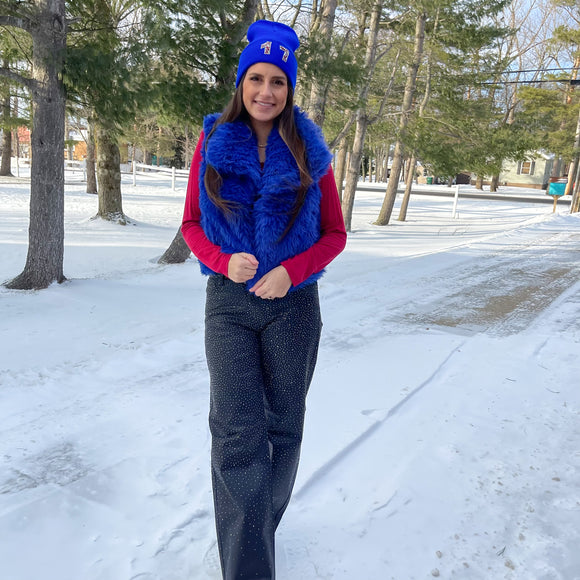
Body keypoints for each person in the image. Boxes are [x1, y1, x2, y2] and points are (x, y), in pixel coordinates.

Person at [181, 19, 347, 580]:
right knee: (234, 430)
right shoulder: (213, 139)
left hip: (294, 309)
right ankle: (248, 565)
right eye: (256, 78)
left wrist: (291, 272)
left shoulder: (308, 147)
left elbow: (335, 234)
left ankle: (254, 529)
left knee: (282, 429)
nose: (266, 91)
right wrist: (223, 261)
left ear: (289, 87)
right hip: (228, 304)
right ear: (240, 82)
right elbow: (190, 226)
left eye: (278, 80)